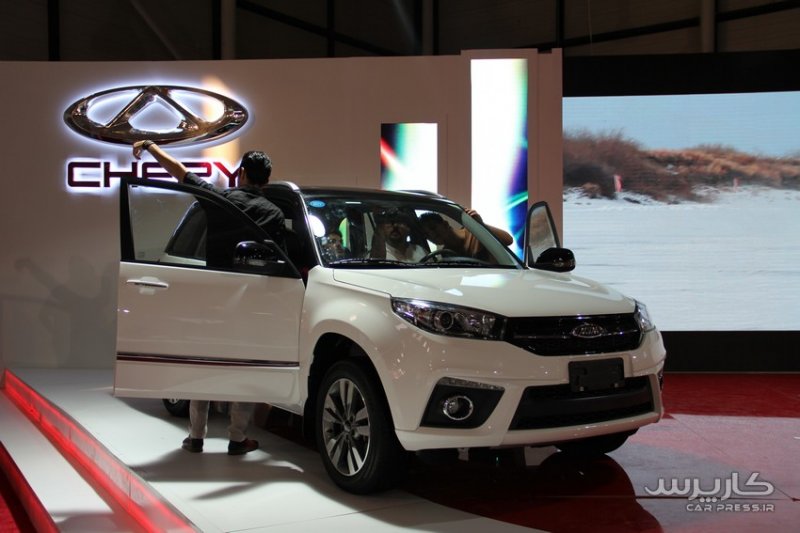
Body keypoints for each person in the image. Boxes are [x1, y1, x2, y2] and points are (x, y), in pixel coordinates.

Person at [132, 140, 279, 455]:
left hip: (211, 296)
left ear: (241, 173)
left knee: (204, 363)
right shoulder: (274, 214)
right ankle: (237, 438)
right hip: (249, 300)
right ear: (266, 180)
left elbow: (180, 173)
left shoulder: (220, 199)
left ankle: (196, 436)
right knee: (243, 368)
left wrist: (151, 147)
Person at [419, 209, 513, 261]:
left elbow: (508, 240)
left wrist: (480, 225)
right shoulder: (446, 253)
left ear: (445, 224)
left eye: (433, 228)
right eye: (427, 234)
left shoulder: (474, 233)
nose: (432, 235)